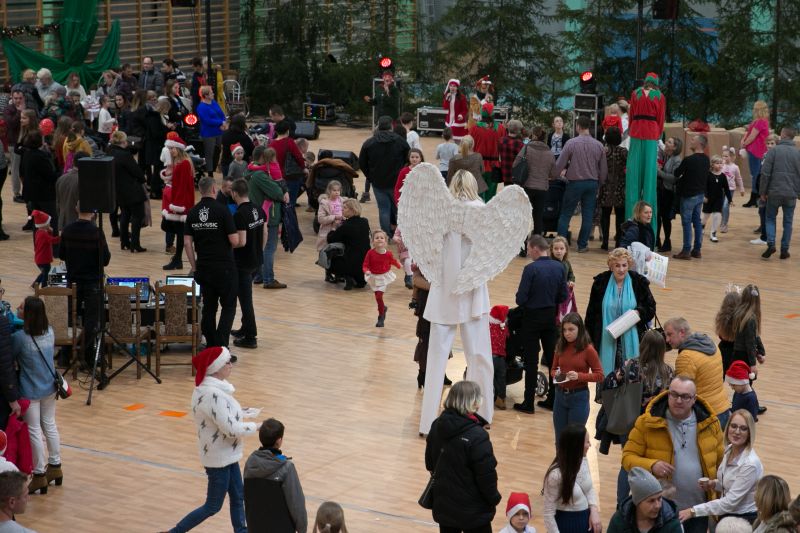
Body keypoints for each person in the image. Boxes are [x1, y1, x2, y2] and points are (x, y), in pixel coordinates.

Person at [164, 347, 257, 533]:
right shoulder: (212, 394)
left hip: (225, 454)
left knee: (238, 496)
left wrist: (241, 413)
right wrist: (258, 426)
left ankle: (241, 531)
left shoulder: (214, 390)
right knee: (213, 506)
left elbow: (221, 416)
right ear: (216, 367)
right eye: (227, 362)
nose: (231, 365)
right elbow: (230, 429)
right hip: (218, 458)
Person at [622, 376, 725, 533]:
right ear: (668, 393)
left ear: (694, 399)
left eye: (685, 396)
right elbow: (627, 457)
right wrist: (652, 465)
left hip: (697, 511)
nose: (678, 400)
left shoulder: (711, 424)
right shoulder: (647, 423)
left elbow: (721, 465)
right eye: (674, 394)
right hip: (660, 510)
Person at [605, 330, 674, 506]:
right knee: (649, 462)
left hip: (629, 422)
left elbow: (609, 382)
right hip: (655, 424)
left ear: (643, 346)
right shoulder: (668, 372)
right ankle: (646, 499)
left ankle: (622, 503)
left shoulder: (630, 366)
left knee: (628, 462)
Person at [424, 381, 501, 533]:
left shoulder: (436, 425)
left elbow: (430, 463)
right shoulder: (478, 436)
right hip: (474, 511)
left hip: (445, 506)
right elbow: (486, 475)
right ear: (473, 402)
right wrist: (494, 498)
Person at [11, 297, 62, 495]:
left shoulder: (20, 338)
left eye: (22, 307)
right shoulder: (50, 332)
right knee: (49, 425)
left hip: (30, 390)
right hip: (50, 387)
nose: (18, 308)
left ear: (29, 314)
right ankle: (55, 465)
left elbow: (11, 356)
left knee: (34, 431)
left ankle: (39, 474)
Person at [514, 235, 568, 413]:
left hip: (531, 319)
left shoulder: (530, 269)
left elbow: (520, 299)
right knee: (553, 360)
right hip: (550, 318)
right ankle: (553, 400)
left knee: (531, 361)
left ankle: (528, 402)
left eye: (529, 249)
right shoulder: (559, 267)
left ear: (536, 249)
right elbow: (563, 296)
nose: (528, 252)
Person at [678, 409, 762, 524]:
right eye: (733, 426)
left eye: (743, 428)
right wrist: (713, 484)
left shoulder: (750, 464)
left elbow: (730, 502)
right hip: (726, 514)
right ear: (728, 428)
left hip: (742, 520)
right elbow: (730, 484)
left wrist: (693, 511)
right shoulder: (729, 449)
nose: (737, 432)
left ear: (750, 433)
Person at [185, 177, 239, 351]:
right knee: (228, 306)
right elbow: (234, 240)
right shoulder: (223, 210)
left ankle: (211, 344)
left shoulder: (193, 212)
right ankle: (221, 346)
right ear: (214, 189)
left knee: (209, 307)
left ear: (200, 190)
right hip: (224, 268)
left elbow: (187, 243)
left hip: (204, 267)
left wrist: (194, 267)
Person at [585, 248, 656, 377]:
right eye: (617, 265)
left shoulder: (638, 281)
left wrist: (639, 312)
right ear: (611, 266)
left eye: (624, 265)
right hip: (605, 338)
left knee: (629, 376)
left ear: (629, 265)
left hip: (632, 337)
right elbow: (591, 313)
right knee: (607, 377)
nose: (621, 269)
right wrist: (588, 339)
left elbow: (650, 306)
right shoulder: (600, 282)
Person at [59, 209, 111, 371]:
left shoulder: (67, 230)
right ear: (93, 213)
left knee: (70, 318)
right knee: (91, 320)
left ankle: (65, 355)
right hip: (92, 283)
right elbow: (105, 259)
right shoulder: (96, 232)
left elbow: (61, 255)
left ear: (76, 209)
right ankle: (87, 356)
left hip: (73, 281)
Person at [664, 317, 733, 428]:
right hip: (723, 408)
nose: (667, 340)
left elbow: (680, 394)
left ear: (682, 332)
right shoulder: (711, 344)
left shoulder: (686, 357)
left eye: (669, 334)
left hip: (706, 416)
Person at [553, 115, 608, 253]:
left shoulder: (571, 143)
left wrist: (553, 176)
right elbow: (603, 169)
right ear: (589, 127)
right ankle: (582, 245)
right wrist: (600, 183)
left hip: (574, 183)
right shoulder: (599, 145)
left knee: (566, 214)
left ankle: (560, 246)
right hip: (592, 183)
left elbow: (560, 164)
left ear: (578, 126)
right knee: (588, 215)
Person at [243, 418, 307, 533]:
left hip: (255, 527)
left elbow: (248, 500)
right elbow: (296, 504)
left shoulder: (250, 463)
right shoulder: (287, 468)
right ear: (279, 441)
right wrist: (302, 529)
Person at [550, 313, 603, 441]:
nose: (567, 333)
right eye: (564, 330)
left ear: (580, 329)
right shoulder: (560, 346)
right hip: (560, 396)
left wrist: (579, 376)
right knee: (560, 439)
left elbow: (600, 375)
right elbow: (553, 369)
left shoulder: (588, 350)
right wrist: (556, 374)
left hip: (579, 397)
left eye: (571, 329)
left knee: (574, 440)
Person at [542, 424, 602, 533]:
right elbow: (548, 513)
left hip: (586, 522)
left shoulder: (583, 460)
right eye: (587, 442)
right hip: (566, 526)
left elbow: (589, 489)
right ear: (576, 446)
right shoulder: (555, 475)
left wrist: (594, 510)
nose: (590, 445)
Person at [625, 73, 666, 227]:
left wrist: (633, 129)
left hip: (636, 132)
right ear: (656, 83)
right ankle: (649, 225)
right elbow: (661, 119)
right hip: (651, 134)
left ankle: (630, 222)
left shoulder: (635, 93)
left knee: (633, 178)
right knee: (649, 178)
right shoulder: (659, 96)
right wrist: (657, 134)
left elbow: (631, 116)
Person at [245, 146, 289, 290]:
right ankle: (268, 279)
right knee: (269, 247)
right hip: (269, 217)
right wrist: (281, 189)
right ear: (263, 157)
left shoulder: (250, 171)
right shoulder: (260, 175)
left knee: (260, 246)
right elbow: (278, 193)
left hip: (256, 215)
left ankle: (259, 275)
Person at [357, 115, 409, 237]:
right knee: (398, 208)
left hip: (378, 182)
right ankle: (400, 234)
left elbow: (362, 162)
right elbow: (408, 158)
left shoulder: (369, 143)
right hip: (397, 182)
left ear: (378, 126)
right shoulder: (400, 141)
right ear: (391, 126)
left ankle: (386, 235)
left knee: (383, 209)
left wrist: (370, 176)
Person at [230, 179, 266, 350]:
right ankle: (245, 328)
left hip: (243, 263)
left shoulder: (239, 214)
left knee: (245, 301)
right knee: (245, 297)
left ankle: (251, 337)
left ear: (234, 193)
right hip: (256, 260)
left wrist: (226, 245)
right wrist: (259, 251)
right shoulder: (257, 208)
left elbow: (241, 242)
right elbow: (265, 232)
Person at [759, 126, 800, 260]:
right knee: (788, 222)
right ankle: (784, 250)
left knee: (770, 218)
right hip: (791, 193)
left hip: (774, 192)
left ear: (783, 135)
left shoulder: (773, 151)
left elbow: (765, 174)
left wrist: (762, 192)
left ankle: (771, 243)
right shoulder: (798, 153)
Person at [607, 467, 681, 533]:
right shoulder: (619, 520)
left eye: (659, 498)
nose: (658, 505)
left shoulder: (672, 523)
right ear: (637, 502)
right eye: (651, 501)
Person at [108, 131, 148, 253]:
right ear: (123, 142)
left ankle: (124, 242)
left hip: (118, 190)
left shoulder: (109, 152)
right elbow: (137, 172)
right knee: (137, 216)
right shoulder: (125, 155)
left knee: (125, 214)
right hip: (132, 190)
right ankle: (135, 244)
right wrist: (143, 179)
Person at [673, 134, 709, 260]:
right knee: (697, 221)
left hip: (689, 195)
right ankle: (697, 249)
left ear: (699, 143)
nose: (691, 141)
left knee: (687, 223)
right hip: (700, 194)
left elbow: (677, 173)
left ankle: (686, 250)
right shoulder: (706, 159)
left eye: (693, 139)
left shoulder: (689, 160)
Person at [162, 136, 195, 270]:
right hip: (180, 202)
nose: (170, 151)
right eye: (169, 148)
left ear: (179, 149)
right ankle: (177, 259)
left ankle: (177, 259)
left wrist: (177, 206)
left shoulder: (184, 164)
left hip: (182, 203)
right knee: (179, 232)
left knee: (180, 233)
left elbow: (182, 186)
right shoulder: (181, 162)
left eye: (172, 148)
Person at [514, 126, 554, 236]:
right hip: (542, 188)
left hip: (527, 186)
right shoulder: (550, 152)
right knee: (538, 217)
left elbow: (516, 163)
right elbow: (553, 173)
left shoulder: (527, 148)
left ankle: (523, 243)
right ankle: (537, 241)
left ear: (534, 135)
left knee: (524, 215)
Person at [326, 199, 370, 290]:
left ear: (352, 210)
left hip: (351, 262)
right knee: (361, 284)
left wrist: (333, 228)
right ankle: (353, 277)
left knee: (329, 256)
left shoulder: (346, 226)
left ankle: (346, 276)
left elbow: (331, 239)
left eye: (345, 208)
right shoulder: (364, 222)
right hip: (367, 261)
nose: (342, 209)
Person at [21, 132, 58, 237]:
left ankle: (38, 243)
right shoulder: (40, 156)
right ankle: (53, 244)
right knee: (51, 220)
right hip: (44, 195)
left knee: (37, 223)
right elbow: (50, 175)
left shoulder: (27, 154)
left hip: (32, 194)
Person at [362, 230, 402, 327]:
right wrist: (366, 271)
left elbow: (392, 261)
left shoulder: (388, 254)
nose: (379, 239)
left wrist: (398, 265)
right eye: (377, 238)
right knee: (378, 298)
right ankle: (382, 308)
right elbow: (365, 265)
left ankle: (381, 316)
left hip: (383, 277)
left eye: (381, 238)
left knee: (379, 296)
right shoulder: (370, 253)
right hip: (373, 277)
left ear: (385, 241)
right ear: (373, 241)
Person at [468, 102, 506, 201]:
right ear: (493, 114)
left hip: (478, 165)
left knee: (478, 196)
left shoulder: (474, 128)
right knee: (491, 197)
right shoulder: (501, 128)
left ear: (481, 114)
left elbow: (469, 147)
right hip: (494, 166)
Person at [598, 127, 628, 250]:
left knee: (605, 215)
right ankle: (618, 242)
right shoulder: (624, 151)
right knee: (620, 216)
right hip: (620, 188)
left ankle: (605, 242)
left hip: (606, 187)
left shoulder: (603, 151)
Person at [740, 101, 771, 208]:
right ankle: (756, 197)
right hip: (759, 150)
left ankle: (754, 198)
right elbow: (749, 134)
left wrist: (744, 144)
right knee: (757, 174)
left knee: (755, 175)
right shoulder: (763, 121)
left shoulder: (759, 122)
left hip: (755, 151)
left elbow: (752, 136)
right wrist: (744, 140)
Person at [655, 137, 682, 252]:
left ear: (675, 147)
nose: (666, 143)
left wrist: (659, 172)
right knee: (658, 217)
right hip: (662, 191)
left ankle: (667, 242)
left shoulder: (677, 160)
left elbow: (674, 178)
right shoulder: (667, 156)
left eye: (669, 142)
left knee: (665, 218)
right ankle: (657, 240)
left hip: (668, 193)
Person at [270, 120, 306, 207]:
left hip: (275, 177)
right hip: (290, 176)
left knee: (279, 203)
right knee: (290, 203)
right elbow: (298, 157)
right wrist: (303, 168)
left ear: (276, 131)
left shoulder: (271, 144)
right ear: (288, 131)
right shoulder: (289, 141)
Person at [196, 86, 227, 177]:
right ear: (206, 95)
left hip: (219, 131)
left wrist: (223, 122)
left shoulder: (213, 102)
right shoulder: (201, 107)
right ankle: (210, 174)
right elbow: (207, 120)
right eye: (211, 93)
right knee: (209, 154)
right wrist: (220, 123)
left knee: (218, 152)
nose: (213, 94)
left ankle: (215, 168)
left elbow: (221, 113)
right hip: (209, 133)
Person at [3, 90, 26, 204]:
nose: (18, 100)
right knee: (15, 169)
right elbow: (11, 124)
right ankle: (16, 194)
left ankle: (27, 191)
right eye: (16, 98)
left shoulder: (27, 108)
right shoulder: (8, 109)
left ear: (23, 98)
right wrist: (19, 112)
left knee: (25, 169)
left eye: (20, 98)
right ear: (12, 98)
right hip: (14, 144)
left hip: (26, 143)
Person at [703, 155, 732, 243]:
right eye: (717, 163)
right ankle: (702, 227)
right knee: (705, 217)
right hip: (708, 199)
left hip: (718, 199)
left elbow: (726, 189)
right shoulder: (707, 174)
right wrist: (705, 196)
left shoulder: (723, 176)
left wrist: (730, 199)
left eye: (721, 163)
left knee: (717, 215)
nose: (719, 165)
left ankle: (713, 233)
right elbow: (704, 187)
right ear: (712, 164)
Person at [317, 180, 344, 266]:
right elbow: (321, 219)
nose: (337, 192)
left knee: (339, 252)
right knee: (328, 253)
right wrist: (334, 217)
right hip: (328, 231)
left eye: (338, 190)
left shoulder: (342, 201)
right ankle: (327, 270)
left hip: (340, 229)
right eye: (334, 190)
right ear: (329, 190)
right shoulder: (324, 203)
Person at [489, 305, 511, 410]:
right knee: (501, 379)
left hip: (490, 357)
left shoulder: (488, 327)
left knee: (491, 379)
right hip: (501, 358)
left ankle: (491, 397)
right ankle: (501, 400)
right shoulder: (504, 328)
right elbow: (508, 336)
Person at [30, 211, 59, 288]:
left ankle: (35, 285)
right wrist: (61, 237)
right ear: (44, 224)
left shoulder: (39, 232)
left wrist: (50, 231)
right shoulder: (43, 234)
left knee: (45, 272)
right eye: (48, 223)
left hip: (41, 258)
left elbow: (47, 240)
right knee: (45, 273)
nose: (49, 224)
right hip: (43, 259)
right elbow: (52, 240)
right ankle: (44, 287)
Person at [720, 146, 745, 232]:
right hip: (721, 189)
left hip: (730, 189)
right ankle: (722, 219)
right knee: (721, 206)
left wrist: (742, 188)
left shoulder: (735, 167)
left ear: (732, 157)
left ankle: (724, 224)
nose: (724, 158)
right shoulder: (721, 165)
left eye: (726, 156)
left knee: (725, 206)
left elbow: (739, 178)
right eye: (723, 156)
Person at [499, 119, 525, 185]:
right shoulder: (520, 144)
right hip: (516, 175)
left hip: (504, 173)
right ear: (518, 130)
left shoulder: (501, 140)